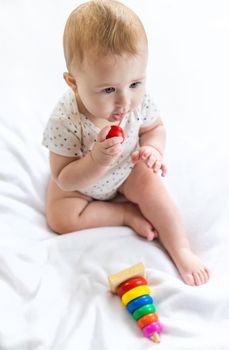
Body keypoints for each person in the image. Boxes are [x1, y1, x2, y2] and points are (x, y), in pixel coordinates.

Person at [42, 0, 209, 286]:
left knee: (154, 190)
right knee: (60, 217)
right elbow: (62, 177)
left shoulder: (137, 103)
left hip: (128, 171)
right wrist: (96, 161)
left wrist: (152, 149)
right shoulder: (65, 120)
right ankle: (123, 214)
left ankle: (181, 249)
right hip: (80, 186)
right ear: (73, 83)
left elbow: (155, 128)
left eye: (135, 84)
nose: (124, 101)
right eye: (108, 89)